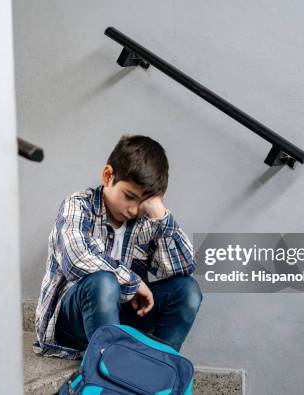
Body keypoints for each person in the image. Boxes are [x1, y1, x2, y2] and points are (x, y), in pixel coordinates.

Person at [33, 135, 203, 359]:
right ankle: (115, 373)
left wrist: (160, 215)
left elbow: (184, 267)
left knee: (187, 290)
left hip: (122, 317)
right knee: (104, 281)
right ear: (107, 176)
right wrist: (133, 281)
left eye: (142, 203)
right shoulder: (78, 204)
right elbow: (77, 258)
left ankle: (158, 369)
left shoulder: (146, 223)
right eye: (129, 196)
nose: (133, 210)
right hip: (71, 322)